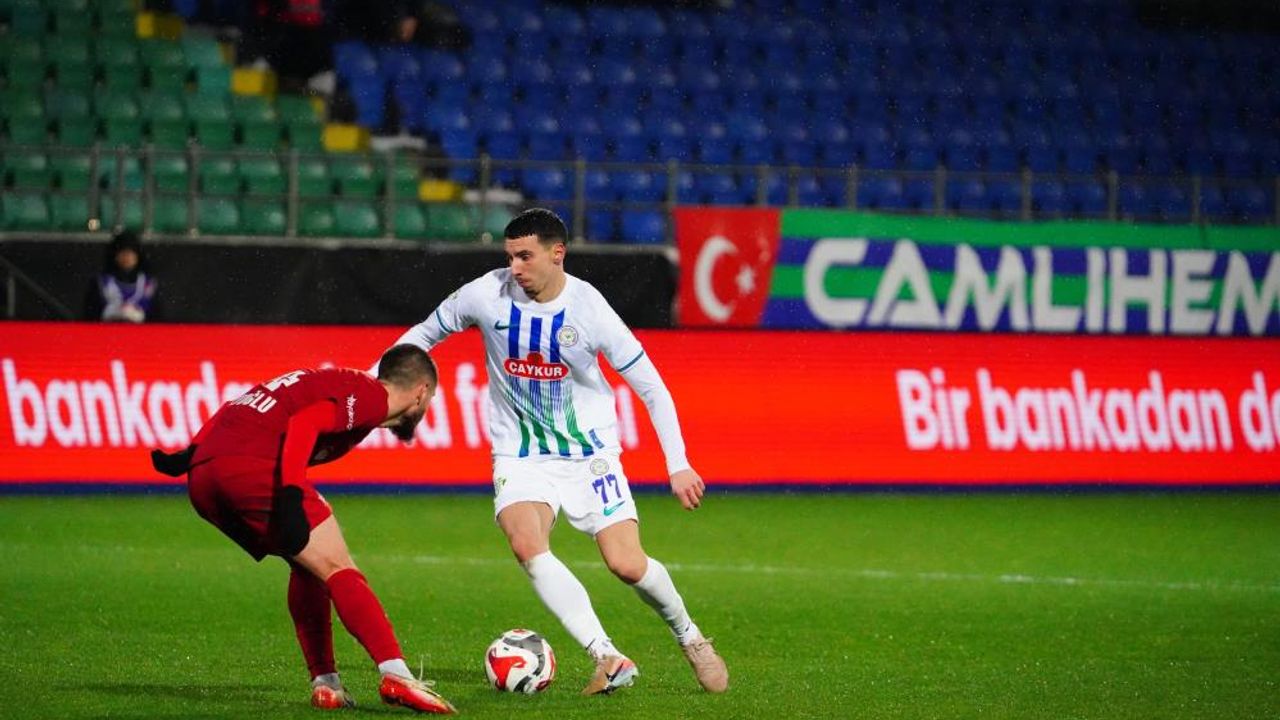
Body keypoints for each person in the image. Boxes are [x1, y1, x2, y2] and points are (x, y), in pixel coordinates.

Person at [387, 208, 729, 695]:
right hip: (520, 454)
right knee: (526, 543)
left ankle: (690, 636)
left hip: (589, 453)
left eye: (525, 257)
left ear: (557, 253)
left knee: (626, 563)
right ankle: (606, 656)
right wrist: (383, 383)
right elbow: (424, 333)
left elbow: (651, 387)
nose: (515, 268)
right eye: (509, 257)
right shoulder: (485, 293)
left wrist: (678, 464)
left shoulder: (590, 309)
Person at [149, 345, 456, 714]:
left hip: (204, 478)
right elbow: (306, 423)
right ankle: (397, 675)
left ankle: (326, 684)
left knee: (308, 567)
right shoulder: (371, 396)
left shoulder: (344, 389)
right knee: (338, 566)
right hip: (247, 468)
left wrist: (193, 451)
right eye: (430, 400)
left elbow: (245, 402)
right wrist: (292, 494)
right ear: (421, 392)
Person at [83, 230, 161, 323]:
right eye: (122, 253)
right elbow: (90, 316)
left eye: (130, 253)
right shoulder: (101, 283)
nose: (126, 257)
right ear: (115, 256)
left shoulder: (149, 284)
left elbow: (158, 318)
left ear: (137, 256)